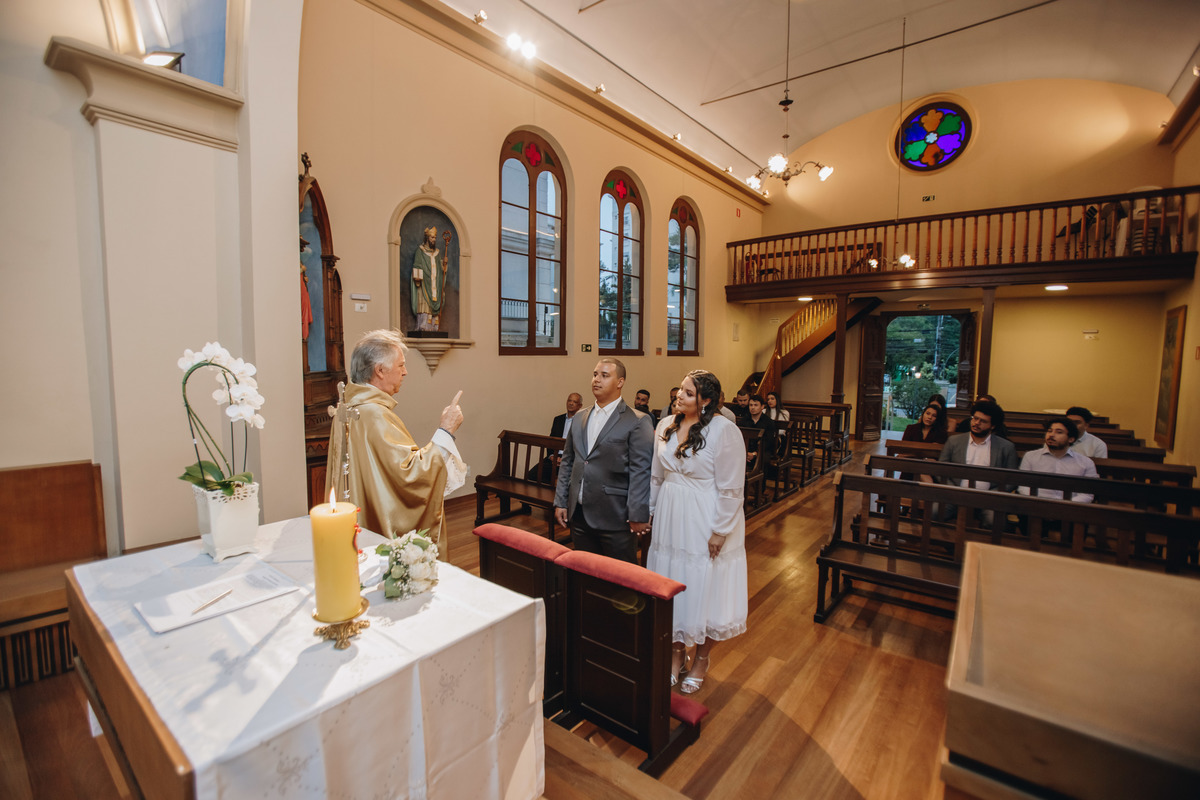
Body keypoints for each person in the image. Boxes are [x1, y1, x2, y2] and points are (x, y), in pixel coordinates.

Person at [646, 370, 747, 695]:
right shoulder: (665, 424)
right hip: (670, 514)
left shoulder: (725, 431)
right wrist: (651, 511)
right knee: (672, 580)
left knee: (705, 585)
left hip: (706, 514)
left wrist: (720, 530)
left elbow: (732, 487)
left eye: (688, 393)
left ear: (706, 401)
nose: (679, 396)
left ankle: (701, 658)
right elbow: (656, 475)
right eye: (681, 390)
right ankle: (676, 653)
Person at [324, 329, 466, 556]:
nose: (405, 372)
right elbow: (411, 475)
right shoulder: (373, 414)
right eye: (401, 365)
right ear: (380, 370)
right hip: (380, 540)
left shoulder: (348, 408)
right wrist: (446, 430)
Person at [554, 359, 654, 563]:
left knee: (620, 576)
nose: (597, 380)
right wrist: (561, 501)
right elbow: (568, 461)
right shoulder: (580, 417)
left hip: (615, 516)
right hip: (580, 513)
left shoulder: (637, 420)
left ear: (620, 382)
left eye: (605, 375)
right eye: (595, 374)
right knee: (585, 571)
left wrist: (637, 513)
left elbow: (641, 470)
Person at [937, 399, 1018, 526]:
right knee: (935, 511)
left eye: (983, 421)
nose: (976, 423)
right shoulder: (954, 441)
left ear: (992, 426)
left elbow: (1012, 480)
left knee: (994, 520)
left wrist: (992, 495)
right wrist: (953, 490)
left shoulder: (1006, 447)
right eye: (975, 418)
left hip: (989, 499)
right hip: (955, 495)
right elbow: (940, 470)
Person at [1018, 417, 1098, 502]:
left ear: (1071, 439)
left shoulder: (1086, 463)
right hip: (1035, 504)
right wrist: (1039, 502)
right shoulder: (1030, 456)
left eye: (1059, 432)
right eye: (1049, 431)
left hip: (1070, 507)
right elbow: (1023, 486)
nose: (1051, 435)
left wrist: (1064, 505)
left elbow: (1087, 494)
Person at [528, 392, 582, 481]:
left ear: (580, 406)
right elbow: (551, 440)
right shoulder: (558, 419)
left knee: (569, 481)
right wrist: (552, 456)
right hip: (555, 456)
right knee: (532, 475)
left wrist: (566, 458)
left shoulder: (582, 422)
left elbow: (581, 445)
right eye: (569, 400)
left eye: (574, 402)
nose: (571, 403)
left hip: (570, 459)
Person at [410, 226, 446, 331]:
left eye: (435, 238)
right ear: (427, 238)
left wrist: (444, 264)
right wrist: (418, 278)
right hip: (424, 283)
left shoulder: (437, 253)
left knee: (436, 301)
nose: (434, 240)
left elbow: (440, 269)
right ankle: (424, 326)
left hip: (435, 283)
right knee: (424, 304)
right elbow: (417, 265)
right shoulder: (420, 251)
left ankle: (434, 327)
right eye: (432, 237)